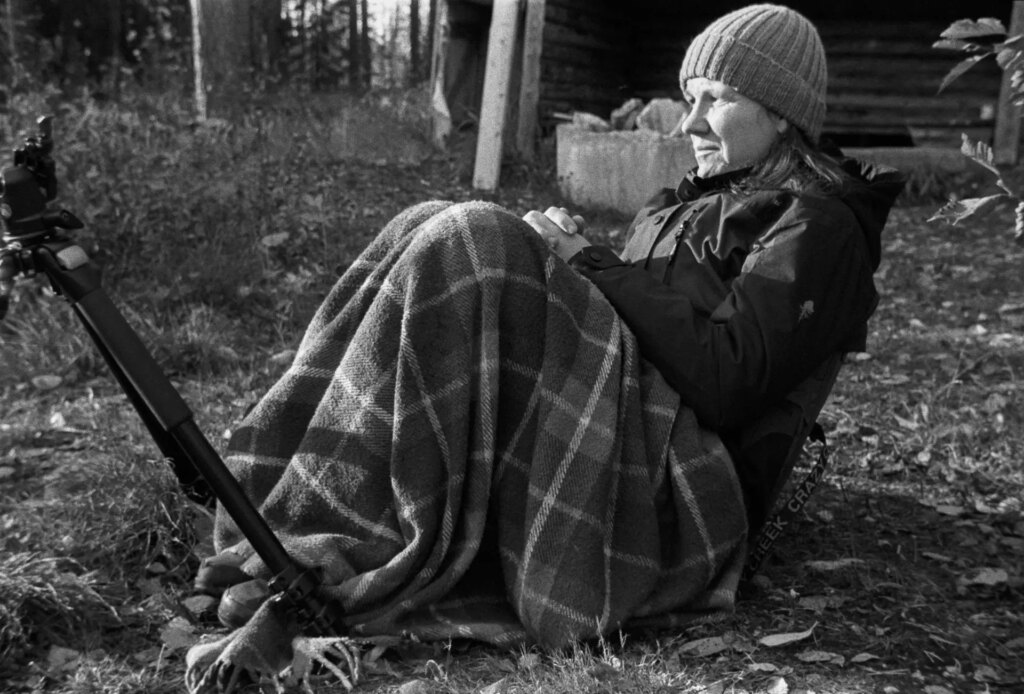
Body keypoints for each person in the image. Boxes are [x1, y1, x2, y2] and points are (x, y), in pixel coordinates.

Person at [185, 4, 905, 692]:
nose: (689, 123)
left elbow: (727, 378)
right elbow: (626, 326)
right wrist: (562, 263)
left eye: (715, 99)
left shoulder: (819, 226)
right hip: (618, 427)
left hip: (683, 484)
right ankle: (293, 484)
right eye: (688, 97)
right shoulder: (685, 201)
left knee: (476, 237)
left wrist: (587, 264)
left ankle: (352, 521)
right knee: (429, 221)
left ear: (781, 112)